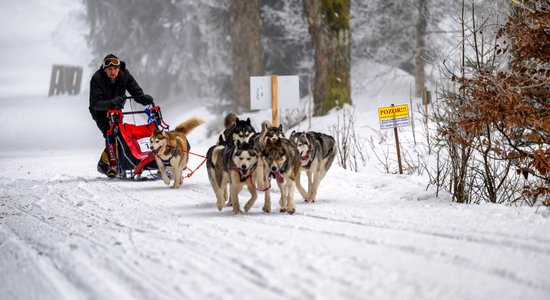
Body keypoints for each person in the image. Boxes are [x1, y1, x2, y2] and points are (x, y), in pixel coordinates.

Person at [89, 54, 154, 178]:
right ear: (104, 69)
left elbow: (135, 91)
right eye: (109, 69)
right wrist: (110, 103)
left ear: (119, 69)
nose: (113, 72)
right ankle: (111, 165)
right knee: (111, 134)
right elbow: (94, 103)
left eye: (115, 69)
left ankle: (106, 162)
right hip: (100, 111)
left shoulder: (125, 75)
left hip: (116, 109)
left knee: (120, 133)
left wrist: (143, 99)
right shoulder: (97, 79)